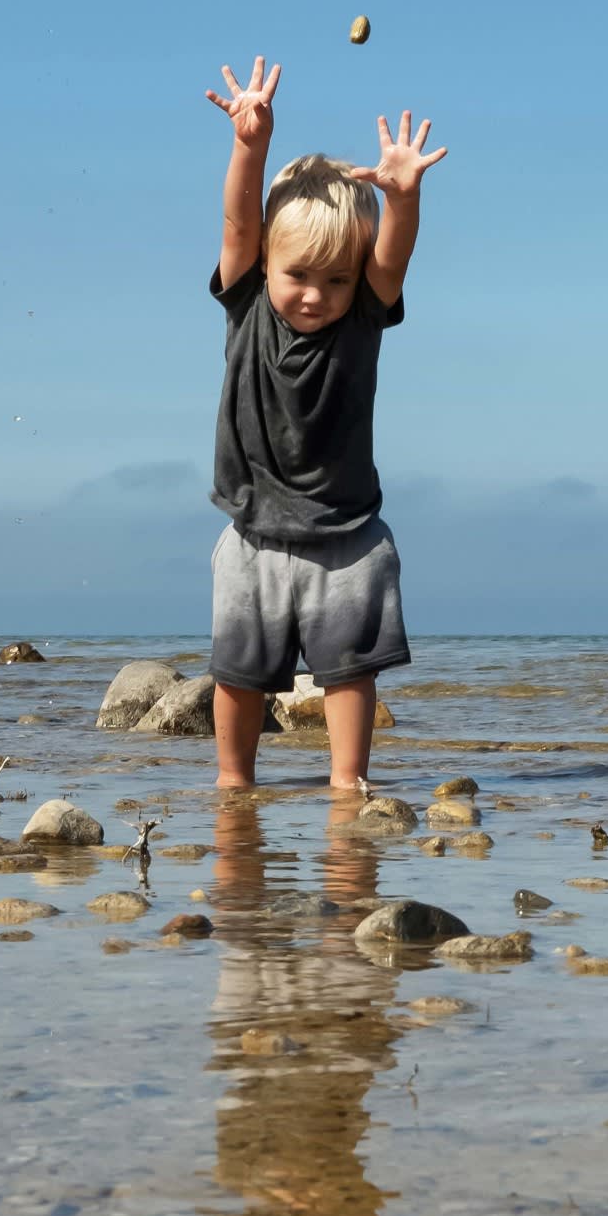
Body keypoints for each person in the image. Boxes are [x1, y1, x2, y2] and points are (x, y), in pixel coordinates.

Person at [198, 54, 446, 790]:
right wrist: (251, 144)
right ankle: (233, 780)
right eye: (299, 276)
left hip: (347, 534)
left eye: (336, 279)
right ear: (268, 264)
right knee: (238, 675)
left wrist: (400, 198)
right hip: (252, 531)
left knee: (350, 673)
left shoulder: (361, 318)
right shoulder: (247, 299)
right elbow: (242, 216)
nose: (316, 295)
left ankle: (348, 781)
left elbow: (392, 259)